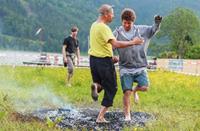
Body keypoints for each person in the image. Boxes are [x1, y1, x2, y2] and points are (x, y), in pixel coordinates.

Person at [88, 4, 144, 123]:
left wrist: (112, 57)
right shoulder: (104, 28)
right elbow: (116, 44)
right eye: (112, 14)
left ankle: (96, 86)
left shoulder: (94, 25)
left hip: (93, 60)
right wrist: (133, 42)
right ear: (106, 14)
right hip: (104, 62)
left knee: (101, 84)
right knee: (112, 89)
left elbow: (100, 44)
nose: (113, 16)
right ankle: (100, 117)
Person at [113, 8, 162, 121]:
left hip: (140, 66)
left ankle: (135, 90)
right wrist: (112, 55)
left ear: (133, 22)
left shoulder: (141, 30)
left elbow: (153, 30)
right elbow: (110, 44)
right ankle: (127, 115)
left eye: (129, 23)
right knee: (126, 92)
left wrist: (157, 22)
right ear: (122, 21)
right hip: (125, 67)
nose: (126, 25)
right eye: (124, 23)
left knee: (145, 87)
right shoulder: (117, 32)